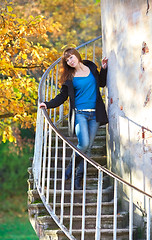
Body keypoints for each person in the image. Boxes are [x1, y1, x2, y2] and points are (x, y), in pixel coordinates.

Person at [40, 47, 108, 190]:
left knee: (88, 148)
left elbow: (101, 83)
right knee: (83, 144)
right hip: (80, 114)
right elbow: (62, 97)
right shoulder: (69, 78)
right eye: (67, 60)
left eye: (71, 57)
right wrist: (47, 104)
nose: (70, 61)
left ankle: (78, 180)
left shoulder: (91, 67)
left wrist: (104, 68)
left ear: (77, 55)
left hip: (95, 114)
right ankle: (70, 168)